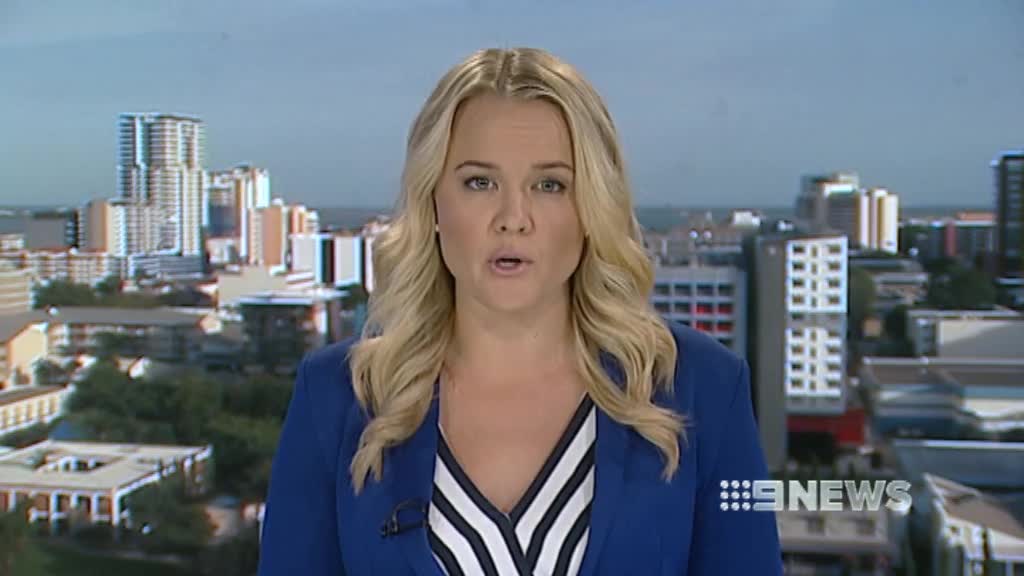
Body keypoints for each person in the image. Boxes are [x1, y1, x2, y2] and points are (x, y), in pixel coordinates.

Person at [258, 46, 782, 575]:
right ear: (433, 201)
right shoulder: (336, 397)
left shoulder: (703, 388)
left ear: (591, 207)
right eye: (479, 183)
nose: (513, 218)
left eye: (549, 185)